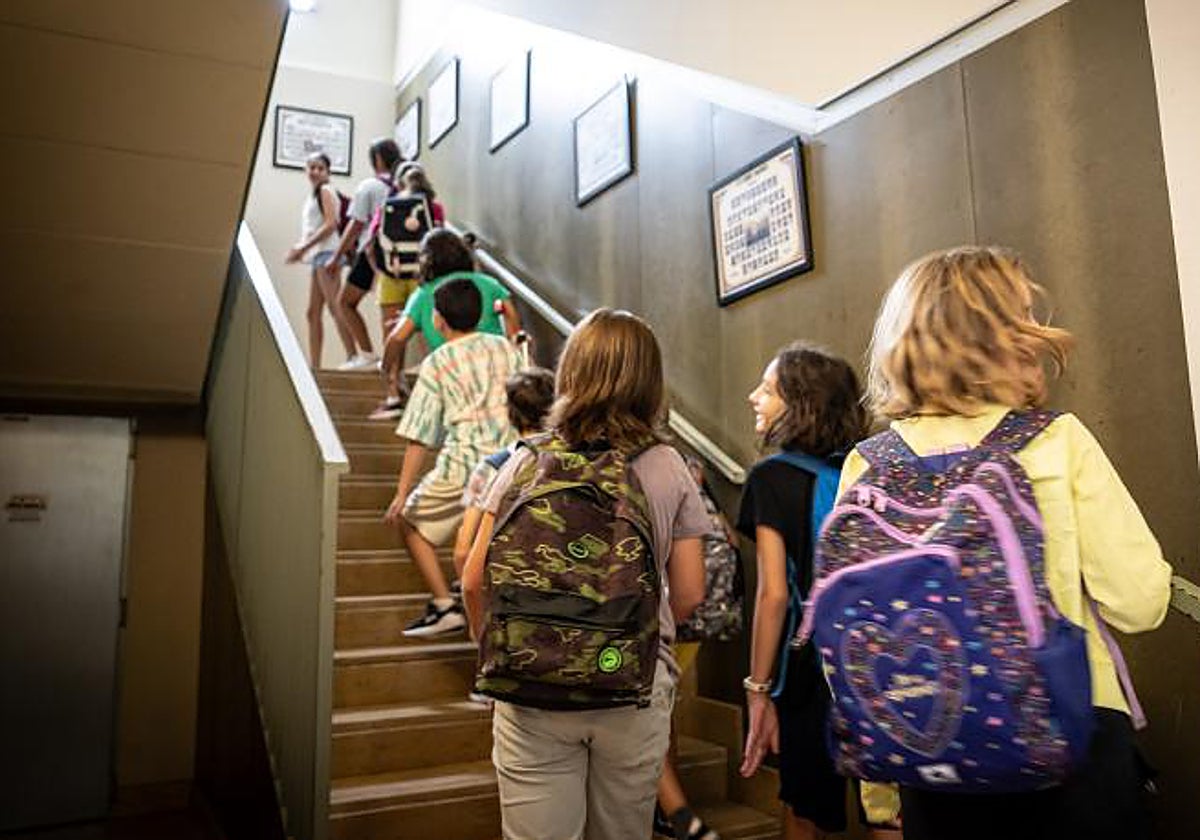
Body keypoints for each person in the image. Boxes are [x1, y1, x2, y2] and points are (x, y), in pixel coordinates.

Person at [842, 246, 1172, 839]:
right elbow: (1138, 600)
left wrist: (880, 799)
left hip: (930, 740)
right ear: (1002, 334)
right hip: (1069, 728)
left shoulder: (867, 464)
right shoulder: (1056, 440)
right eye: (1024, 314)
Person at [461, 309, 708, 840]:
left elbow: (473, 580)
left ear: (570, 372)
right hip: (633, 682)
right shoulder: (670, 467)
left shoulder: (522, 462)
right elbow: (689, 594)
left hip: (531, 684)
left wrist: (498, 644)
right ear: (650, 381)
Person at [736, 342, 884, 840]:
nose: (754, 397)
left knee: (803, 804)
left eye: (768, 389)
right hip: (881, 657)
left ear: (799, 406)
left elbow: (774, 594)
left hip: (810, 668)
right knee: (886, 805)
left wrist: (758, 688)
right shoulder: (867, 470)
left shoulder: (771, 478)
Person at [383, 278, 524, 637]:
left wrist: (401, 493)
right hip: (510, 465)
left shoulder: (437, 363)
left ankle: (446, 605)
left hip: (463, 469)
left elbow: (419, 437)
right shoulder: (505, 348)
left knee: (410, 522)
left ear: (439, 320)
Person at [654, 456, 742, 840]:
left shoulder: (643, 471)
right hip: (703, 617)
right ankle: (665, 806)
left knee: (646, 715)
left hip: (673, 615)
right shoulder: (683, 468)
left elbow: (688, 590)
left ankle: (677, 813)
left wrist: (656, 628)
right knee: (662, 708)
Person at [371, 229, 522, 420]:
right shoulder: (490, 284)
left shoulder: (423, 295)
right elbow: (513, 322)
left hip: (453, 374)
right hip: (497, 369)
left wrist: (385, 369)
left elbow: (396, 338)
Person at [451, 367, 556, 584]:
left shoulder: (492, 467)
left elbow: (463, 551)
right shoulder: (575, 459)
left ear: (511, 413)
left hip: (511, 589)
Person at [328, 137, 403, 370]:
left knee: (345, 302)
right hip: (403, 257)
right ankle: (394, 366)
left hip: (372, 252)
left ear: (377, 159)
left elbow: (356, 225)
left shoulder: (369, 187)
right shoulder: (406, 185)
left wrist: (336, 256)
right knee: (395, 312)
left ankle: (368, 354)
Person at [284, 152, 355, 368]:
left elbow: (331, 224)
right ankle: (315, 367)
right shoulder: (313, 195)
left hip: (328, 254)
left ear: (328, 172)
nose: (315, 171)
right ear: (305, 170)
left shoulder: (325, 190)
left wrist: (301, 248)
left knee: (335, 306)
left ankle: (353, 356)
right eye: (311, 167)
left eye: (320, 168)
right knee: (312, 312)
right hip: (318, 256)